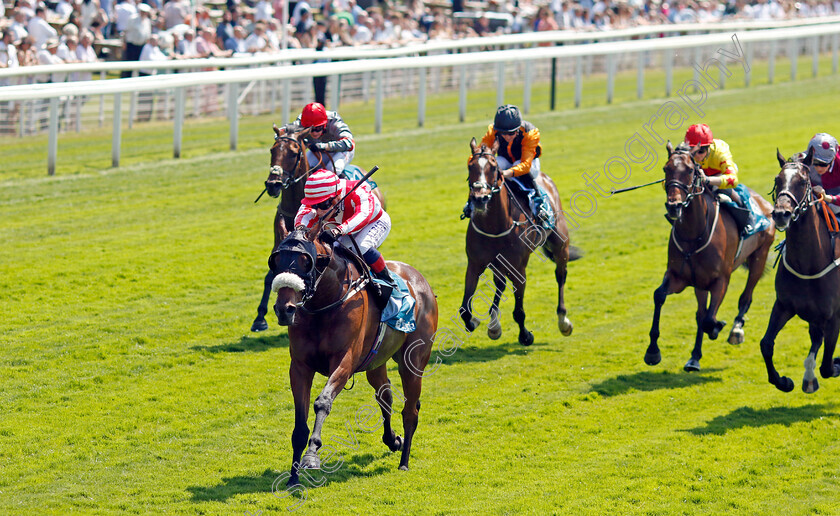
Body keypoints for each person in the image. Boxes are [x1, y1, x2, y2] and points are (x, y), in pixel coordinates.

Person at [293, 168, 397, 308]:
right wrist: (301, 231)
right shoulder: (319, 197)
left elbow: (364, 214)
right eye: (314, 205)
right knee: (333, 255)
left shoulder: (358, 191)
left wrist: (338, 231)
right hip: (345, 230)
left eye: (323, 205)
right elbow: (303, 216)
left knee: (361, 246)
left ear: (336, 196)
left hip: (374, 222)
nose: (318, 211)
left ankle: (388, 281)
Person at [462, 104, 552, 227]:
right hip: (505, 159)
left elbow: (525, 164)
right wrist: (473, 164)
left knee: (516, 164)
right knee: (486, 166)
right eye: (503, 133)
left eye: (511, 133)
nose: (506, 137)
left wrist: (505, 173)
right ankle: (471, 203)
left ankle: (539, 203)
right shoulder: (493, 131)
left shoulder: (530, 133)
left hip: (528, 163)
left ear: (518, 128)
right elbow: (480, 153)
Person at [684, 123, 761, 235]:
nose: (697, 157)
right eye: (692, 151)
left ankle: (746, 213)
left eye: (701, 152)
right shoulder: (683, 152)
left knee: (724, 191)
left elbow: (733, 180)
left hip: (718, 175)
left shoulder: (720, 152)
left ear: (709, 148)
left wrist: (708, 180)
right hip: (698, 175)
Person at [295, 102, 356, 178]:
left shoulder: (333, 120)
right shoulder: (301, 121)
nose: (314, 133)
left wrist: (324, 146)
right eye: (309, 129)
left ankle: (343, 186)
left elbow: (349, 143)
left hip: (342, 151)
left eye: (318, 128)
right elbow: (285, 131)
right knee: (302, 168)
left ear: (325, 124)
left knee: (332, 170)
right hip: (318, 150)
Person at [803, 133, 840, 212]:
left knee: (834, 208)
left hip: (836, 199)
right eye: (815, 163)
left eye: (823, 164)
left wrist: (826, 197)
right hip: (815, 197)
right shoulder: (803, 160)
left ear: (833, 158)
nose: (819, 168)